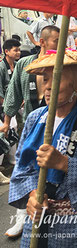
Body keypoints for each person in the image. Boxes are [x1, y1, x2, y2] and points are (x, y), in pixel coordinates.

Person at [8, 50, 77, 247]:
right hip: (39, 222)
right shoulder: (35, 118)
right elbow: (21, 168)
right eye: (45, 78)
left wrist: (64, 163)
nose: (49, 86)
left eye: (57, 78)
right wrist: (33, 195)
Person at [0, 25, 59, 238]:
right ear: (42, 42)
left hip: (58, 128)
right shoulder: (25, 64)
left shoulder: (62, 63)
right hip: (30, 126)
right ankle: (21, 218)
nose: (60, 44)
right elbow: (13, 93)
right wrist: (7, 121)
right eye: (56, 40)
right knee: (25, 170)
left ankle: (55, 217)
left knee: (52, 172)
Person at [0, 39, 21, 184]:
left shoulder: (18, 65)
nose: (18, 52)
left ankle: (13, 160)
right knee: (5, 130)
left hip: (15, 102)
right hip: (5, 104)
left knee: (13, 127)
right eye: (15, 50)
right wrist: (7, 106)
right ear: (6, 52)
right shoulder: (1, 67)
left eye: (19, 50)